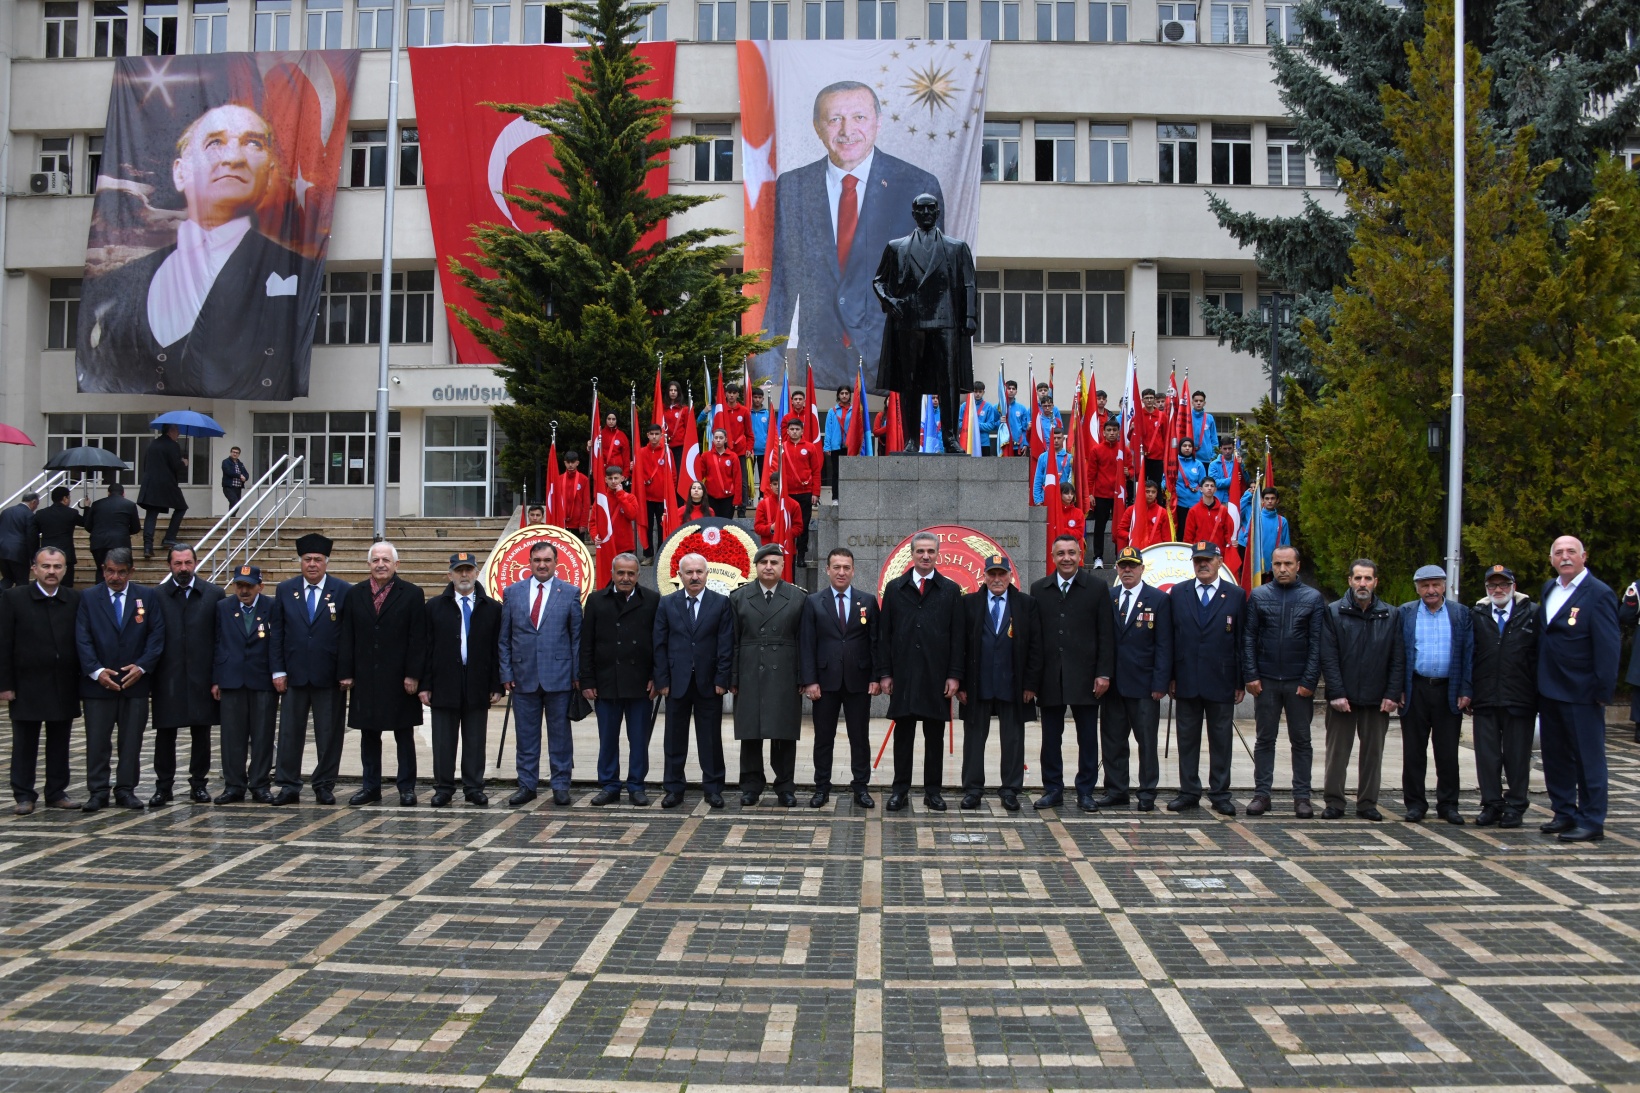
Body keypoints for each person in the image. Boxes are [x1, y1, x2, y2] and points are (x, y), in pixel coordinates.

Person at [75, 103, 321, 400]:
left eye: (252, 143)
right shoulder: (121, 283)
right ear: (180, 172)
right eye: (215, 143)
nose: (233, 158)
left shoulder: (296, 273)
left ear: (269, 176)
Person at [762, 82, 943, 386]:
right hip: (817, 365)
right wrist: (766, 372)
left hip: (892, 362)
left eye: (859, 117)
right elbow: (783, 281)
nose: (847, 130)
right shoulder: (793, 187)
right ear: (818, 127)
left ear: (878, 122)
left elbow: (931, 288)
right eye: (834, 119)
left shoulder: (917, 186)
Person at [874, 193, 976, 451]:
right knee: (910, 381)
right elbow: (879, 281)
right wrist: (890, 301)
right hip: (911, 322)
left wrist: (970, 317)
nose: (927, 213)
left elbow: (969, 285)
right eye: (922, 209)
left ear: (938, 212)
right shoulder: (897, 247)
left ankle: (950, 437)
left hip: (946, 321)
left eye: (932, 208)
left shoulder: (956, 247)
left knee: (949, 381)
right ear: (914, 213)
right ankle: (910, 440)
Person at [1537, 535, 1619, 842]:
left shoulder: (1598, 594)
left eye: (1571, 551)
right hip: (1550, 690)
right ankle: (1564, 813)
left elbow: (1609, 649)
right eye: (1558, 552)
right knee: (1555, 757)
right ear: (1551, 559)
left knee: (1588, 760)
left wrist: (1602, 691)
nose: (1565, 556)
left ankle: (1591, 820)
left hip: (1583, 693)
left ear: (1585, 557)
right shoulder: (1549, 589)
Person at [878, 531, 966, 812]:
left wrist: (954, 675)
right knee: (903, 738)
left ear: (937, 554)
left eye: (930, 551)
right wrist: (885, 673)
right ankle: (899, 791)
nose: (925, 556)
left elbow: (957, 637)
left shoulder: (950, 590)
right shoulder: (895, 588)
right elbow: (885, 634)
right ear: (912, 554)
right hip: (903, 676)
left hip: (936, 677)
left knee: (934, 739)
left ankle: (933, 792)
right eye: (920, 552)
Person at [75, 548, 165, 811]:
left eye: (121, 572)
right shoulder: (89, 597)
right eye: (110, 571)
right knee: (97, 740)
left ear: (131, 572)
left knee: (131, 741)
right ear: (103, 569)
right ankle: (98, 790)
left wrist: (143, 666)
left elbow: (156, 636)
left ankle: (126, 789)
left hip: (133, 683)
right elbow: (82, 637)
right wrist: (96, 671)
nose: (114, 577)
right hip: (98, 685)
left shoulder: (147, 597)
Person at [1030, 534, 1115, 810]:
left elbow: (1106, 634)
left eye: (1071, 553)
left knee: (1088, 739)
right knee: (1050, 739)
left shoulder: (1097, 587)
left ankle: (1085, 791)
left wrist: (1103, 673)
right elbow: (1034, 637)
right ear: (1053, 557)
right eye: (1060, 554)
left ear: (1081, 555)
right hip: (1050, 678)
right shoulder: (1039, 589)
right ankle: (1053, 788)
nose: (1066, 558)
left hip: (1087, 678)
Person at [338, 542, 427, 807]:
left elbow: (418, 638)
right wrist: (346, 672)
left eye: (386, 560)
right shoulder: (355, 594)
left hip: (400, 678)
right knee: (369, 734)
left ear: (396, 564)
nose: (380, 564)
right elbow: (347, 636)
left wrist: (413, 674)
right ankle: (370, 787)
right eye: (375, 560)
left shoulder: (411, 594)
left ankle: (406, 788)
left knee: (403, 734)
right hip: (366, 677)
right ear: (368, 564)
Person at [1318, 558, 1404, 821]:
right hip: (1342, 699)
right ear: (1350, 581)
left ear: (1376, 582)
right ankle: (1334, 802)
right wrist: (1336, 692)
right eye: (1358, 578)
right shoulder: (1333, 612)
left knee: (1373, 755)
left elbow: (1398, 658)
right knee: (1336, 754)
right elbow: (1328, 657)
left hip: (1377, 700)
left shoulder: (1391, 614)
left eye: (1368, 578)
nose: (1362, 583)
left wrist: (1392, 694)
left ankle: (1367, 803)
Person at [1242, 544, 1325, 817]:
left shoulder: (1313, 598)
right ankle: (1261, 795)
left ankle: (1302, 797)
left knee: (1301, 741)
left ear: (1298, 566)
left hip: (1298, 682)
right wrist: (1251, 675)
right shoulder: (1259, 596)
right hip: (1265, 681)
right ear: (1272, 566)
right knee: (1265, 739)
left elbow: (1317, 644)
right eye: (1278, 564)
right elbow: (1249, 638)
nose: (1283, 569)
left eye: (1288, 564)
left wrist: (1309, 680)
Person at [498, 541, 582, 807]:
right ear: (529, 562)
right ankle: (527, 785)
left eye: (547, 560)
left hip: (560, 675)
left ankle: (560, 785)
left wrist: (577, 674)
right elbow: (504, 638)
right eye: (537, 560)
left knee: (560, 735)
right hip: (523, 676)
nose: (542, 565)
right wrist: (506, 671)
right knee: (526, 735)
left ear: (556, 562)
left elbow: (576, 638)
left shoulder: (569, 592)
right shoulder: (513, 592)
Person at [957, 555, 1042, 812]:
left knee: (1013, 739)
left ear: (1010, 576)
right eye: (992, 574)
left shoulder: (1026, 604)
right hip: (976, 685)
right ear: (984, 576)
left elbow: (1036, 647)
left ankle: (1010, 790)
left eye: (1001, 574)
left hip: (1013, 685)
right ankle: (973, 790)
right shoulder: (969, 603)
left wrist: (1031, 684)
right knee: (973, 740)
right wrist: (960, 683)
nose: (996, 579)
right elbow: (959, 645)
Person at [270, 533, 350, 805]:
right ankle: (288, 785)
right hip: (293, 675)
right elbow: (277, 633)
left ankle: (324, 784)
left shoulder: (343, 590)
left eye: (317, 559)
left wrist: (345, 671)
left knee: (329, 734)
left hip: (330, 677)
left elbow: (348, 636)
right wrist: (278, 671)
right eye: (307, 560)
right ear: (300, 562)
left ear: (326, 562)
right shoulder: (285, 589)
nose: (312, 564)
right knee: (290, 732)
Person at [1168, 542, 1247, 815]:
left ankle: (1220, 793)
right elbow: (1170, 638)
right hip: (1186, 678)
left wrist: (1240, 680)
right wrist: (1170, 676)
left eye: (1208, 560)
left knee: (1221, 740)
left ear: (1219, 561)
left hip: (1222, 679)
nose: (1203, 564)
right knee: (1187, 739)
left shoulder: (1236, 595)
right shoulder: (1178, 593)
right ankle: (1188, 791)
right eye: (1198, 560)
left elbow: (1240, 641)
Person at [1, 547, 81, 814]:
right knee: (25, 743)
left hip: (63, 684)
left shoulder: (74, 599)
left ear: (65, 570)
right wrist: (5, 684)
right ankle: (24, 794)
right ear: (34, 569)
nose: (51, 571)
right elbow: (4, 643)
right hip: (26, 685)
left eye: (57, 567)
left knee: (60, 742)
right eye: (46, 566)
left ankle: (56, 792)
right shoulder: (14, 598)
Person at [800, 547, 882, 809]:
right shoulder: (813, 602)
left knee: (860, 737)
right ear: (827, 570)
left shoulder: (867, 601)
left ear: (853, 570)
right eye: (836, 567)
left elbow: (875, 643)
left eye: (846, 567)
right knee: (824, 738)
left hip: (859, 682)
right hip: (825, 682)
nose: (841, 572)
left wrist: (875, 677)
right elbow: (807, 643)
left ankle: (861, 787)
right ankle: (821, 788)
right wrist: (810, 680)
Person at [420, 553, 502, 808]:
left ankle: (474, 787)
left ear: (477, 573)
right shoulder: (434, 606)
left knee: (475, 739)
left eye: (468, 570)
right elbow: (425, 648)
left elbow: (497, 649)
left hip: (478, 681)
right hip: (444, 681)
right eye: (459, 571)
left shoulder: (493, 608)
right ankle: (444, 788)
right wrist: (425, 684)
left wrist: (496, 684)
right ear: (450, 575)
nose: (464, 575)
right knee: (443, 740)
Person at [654, 553, 734, 809]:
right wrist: (662, 680)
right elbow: (659, 644)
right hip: (676, 682)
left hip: (708, 683)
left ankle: (713, 788)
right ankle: (674, 788)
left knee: (710, 739)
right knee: (674, 739)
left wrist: (722, 678)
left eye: (699, 571)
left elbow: (726, 644)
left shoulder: (721, 603)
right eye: (689, 572)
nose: (695, 576)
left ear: (707, 574)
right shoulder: (667, 603)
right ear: (680, 576)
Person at [730, 544, 806, 807]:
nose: (769, 567)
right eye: (764, 562)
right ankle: (751, 785)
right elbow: (734, 641)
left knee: (783, 732)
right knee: (751, 732)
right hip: (750, 670)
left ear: (783, 566)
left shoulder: (798, 597)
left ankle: (785, 786)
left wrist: (803, 677)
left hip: (785, 672)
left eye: (774, 562)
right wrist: (733, 677)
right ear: (756, 566)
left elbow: (804, 641)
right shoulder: (738, 597)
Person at [1398, 564, 1474, 824]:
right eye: (1425, 585)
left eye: (1435, 584)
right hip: (1415, 689)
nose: (1430, 590)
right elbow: (1398, 654)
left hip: (1448, 690)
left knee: (1447, 752)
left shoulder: (1460, 613)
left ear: (1444, 586)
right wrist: (1398, 688)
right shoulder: (1405, 613)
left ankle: (1449, 804)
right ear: (1417, 587)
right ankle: (1415, 804)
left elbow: (1468, 654)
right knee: (1414, 751)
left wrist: (1466, 688)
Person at [580, 551, 658, 806]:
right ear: (612, 573)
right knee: (608, 739)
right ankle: (610, 785)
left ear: (638, 575)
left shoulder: (652, 600)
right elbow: (586, 644)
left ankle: (636, 786)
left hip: (640, 684)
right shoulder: (596, 601)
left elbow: (659, 643)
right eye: (620, 573)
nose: (625, 578)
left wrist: (656, 676)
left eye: (631, 573)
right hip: (605, 683)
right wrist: (587, 680)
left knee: (638, 740)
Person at [1100, 547, 1173, 811]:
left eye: (1132, 565)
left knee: (1146, 743)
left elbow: (1164, 645)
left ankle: (1147, 792)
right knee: (1113, 741)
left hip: (1144, 686)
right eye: (1123, 566)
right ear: (1117, 569)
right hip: (1113, 686)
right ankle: (1117, 790)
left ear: (1142, 568)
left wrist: (1160, 683)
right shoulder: (1109, 597)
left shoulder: (1159, 599)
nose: (1127, 570)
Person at [151, 544, 222, 806]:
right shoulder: (156, 596)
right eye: (178, 563)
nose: (183, 568)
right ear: (169, 565)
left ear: (196, 563)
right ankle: (163, 786)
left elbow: (219, 640)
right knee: (165, 733)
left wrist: (217, 678)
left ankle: (198, 785)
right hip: (167, 677)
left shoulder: (213, 594)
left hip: (201, 677)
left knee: (201, 734)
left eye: (188, 563)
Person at [1469, 564, 1537, 828]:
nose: (1498, 590)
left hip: (1520, 697)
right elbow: (1468, 655)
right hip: (1484, 697)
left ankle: (1516, 806)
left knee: (1517, 756)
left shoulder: (1532, 614)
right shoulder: (1477, 614)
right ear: (1486, 589)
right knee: (1487, 756)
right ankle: (1491, 804)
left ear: (1513, 587)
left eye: (1503, 585)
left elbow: (1539, 657)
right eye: (1492, 585)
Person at [211, 565, 279, 804]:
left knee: (262, 734)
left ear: (260, 586)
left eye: (249, 586)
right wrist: (216, 679)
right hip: (232, 680)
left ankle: (260, 783)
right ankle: (234, 785)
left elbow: (277, 642)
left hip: (262, 680)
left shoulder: (271, 606)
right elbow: (216, 643)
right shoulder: (222, 607)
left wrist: (278, 673)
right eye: (239, 585)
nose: (244, 590)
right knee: (232, 736)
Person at [138, 424, 189, 559]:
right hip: (166, 484)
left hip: (150, 483)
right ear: (171, 431)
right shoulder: (173, 445)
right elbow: (175, 466)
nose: (179, 433)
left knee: (152, 513)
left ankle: (148, 546)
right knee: (181, 507)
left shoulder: (153, 444)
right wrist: (183, 462)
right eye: (177, 430)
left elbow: (145, 464)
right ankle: (169, 537)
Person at [780, 418, 823, 567]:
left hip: (805, 493)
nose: (794, 432)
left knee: (803, 526)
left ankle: (801, 555)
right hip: (787, 494)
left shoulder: (810, 447)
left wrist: (815, 493)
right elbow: (775, 471)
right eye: (791, 429)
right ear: (787, 431)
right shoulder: (782, 447)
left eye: (797, 429)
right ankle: (787, 553)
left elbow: (816, 471)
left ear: (802, 431)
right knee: (787, 525)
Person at [1086, 420, 1126, 565]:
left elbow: (1134, 470)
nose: (1111, 433)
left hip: (1119, 496)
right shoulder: (1096, 450)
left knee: (1120, 528)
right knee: (1099, 527)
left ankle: (1119, 557)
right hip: (1101, 495)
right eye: (1109, 430)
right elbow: (1090, 475)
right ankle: (1098, 557)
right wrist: (1090, 494)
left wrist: (1129, 471)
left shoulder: (1124, 450)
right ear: (1103, 432)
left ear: (1118, 432)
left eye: (1114, 430)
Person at [32, 487, 84, 588]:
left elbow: (33, 534)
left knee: (46, 583)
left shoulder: (41, 514)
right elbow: (85, 523)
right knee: (67, 585)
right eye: (69, 497)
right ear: (65, 498)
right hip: (66, 553)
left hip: (46, 553)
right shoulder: (72, 513)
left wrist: (34, 553)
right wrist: (86, 508)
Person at [1239, 487, 1291, 582]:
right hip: (1258, 567)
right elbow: (1246, 538)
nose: (1270, 501)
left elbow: (1286, 545)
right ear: (1262, 500)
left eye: (1272, 498)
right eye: (1267, 498)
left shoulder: (1282, 521)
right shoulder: (1255, 518)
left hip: (1277, 566)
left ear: (1277, 500)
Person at [86, 483, 141, 574]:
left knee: (102, 571)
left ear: (108, 493)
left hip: (99, 543)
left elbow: (88, 526)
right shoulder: (130, 505)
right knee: (120, 571)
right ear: (123, 493)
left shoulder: (96, 504)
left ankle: (101, 587)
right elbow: (136, 528)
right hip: (120, 542)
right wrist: (124, 532)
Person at [636, 423, 671, 561]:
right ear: (648, 435)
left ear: (661, 436)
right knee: (647, 527)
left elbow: (672, 473)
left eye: (657, 434)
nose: (654, 437)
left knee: (663, 528)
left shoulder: (667, 451)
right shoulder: (641, 452)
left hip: (663, 497)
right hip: (646, 497)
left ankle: (661, 555)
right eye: (652, 434)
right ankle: (648, 555)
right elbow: (638, 473)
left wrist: (670, 493)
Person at [1182, 476, 1234, 554]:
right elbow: (1188, 536)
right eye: (1206, 486)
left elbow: (1228, 533)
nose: (1209, 488)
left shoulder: (1223, 510)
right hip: (1199, 553)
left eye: (1212, 486)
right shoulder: (1193, 511)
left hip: (1217, 553)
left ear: (1215, 490)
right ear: (1201, 489)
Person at [822, 386, 857, 501]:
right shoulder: (832, 411)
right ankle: (835, 498)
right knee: (836, 473)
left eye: (846, 393)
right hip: (836, 447)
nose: (844, 395)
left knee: (849, 472)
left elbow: (858, 429)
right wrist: (827, 446)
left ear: (850, 395)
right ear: (838, 395)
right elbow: (828, 430)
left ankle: (849, 497)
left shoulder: (855, 410)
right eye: (841, 393)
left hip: (849, 447)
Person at [0, 492, 40, 589]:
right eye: (37, 504)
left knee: (8, 578)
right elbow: (31, 537)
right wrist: (34, 556)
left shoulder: (6, 511)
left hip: (2, 550)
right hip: (19, 552)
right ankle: (20, 603)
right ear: (34, 502)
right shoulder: (29, 515)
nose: (36, 507)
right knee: (22, 581)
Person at [700, 430, 741, 518]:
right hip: (710, 496)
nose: (718, 440)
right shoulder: (705, 456)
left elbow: (737, 478)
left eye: (721, 438)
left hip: (728, 497)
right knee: (711, 526)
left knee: (726, 525)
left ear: (726, 440)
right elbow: (699, 475)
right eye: (716, 438)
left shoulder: (733, 456)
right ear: (713, 440)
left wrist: (737, 499)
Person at [1172, 436, 1207, 534]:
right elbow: (1166, 479)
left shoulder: (1198, 464)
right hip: (1179, 504)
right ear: (1180, 447)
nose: (1187, 448)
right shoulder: (1173, 462)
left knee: (1194, 530)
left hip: (1195, 503)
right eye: (1184, 445)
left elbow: (1203, 483)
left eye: (1189, 446)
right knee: (1180, 530)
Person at [1033, 428, 1072, 505]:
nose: (1056, 440)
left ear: (1063, 439)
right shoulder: (1043, 457)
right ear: (1050, 439)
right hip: (1047, 497)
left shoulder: (1070, 458)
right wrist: (1037, 500)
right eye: (1054, 438)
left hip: (1064, 499)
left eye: (1059, 438)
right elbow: (1038, 479)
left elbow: (1072, 480)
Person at [559, 451, 589, 536]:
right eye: (568, 462)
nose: (570, 465)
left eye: (573, 462)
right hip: (562, 522)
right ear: (565, 463)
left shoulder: (584, 479)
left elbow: (586, 503)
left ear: (577, 463)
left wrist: (583, 523)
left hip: (577, 523)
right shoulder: (559, 479)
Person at [1001, 380, 1031, 456]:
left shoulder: (1022, 408)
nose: (1011, 390)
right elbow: (993, 425)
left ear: (1016, 392)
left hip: (1018, 445)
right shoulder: (998, 407)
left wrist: (1025, 444)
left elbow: (1025, 429)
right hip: (1003, 445)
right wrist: (999, 422)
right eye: (1009, 388)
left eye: (1013, 389)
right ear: (1005, 390)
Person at [749, 387, 771, 484]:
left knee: (764, 475)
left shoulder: (767, 413)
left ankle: (762, 496)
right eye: (755, 397)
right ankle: (749, 497)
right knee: (749, 476)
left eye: (760, 397)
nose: (757, 399)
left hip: (764, 450)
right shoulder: (747, 413)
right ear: (751, 398)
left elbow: (771, 432)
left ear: (763, 399)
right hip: (750, 451)